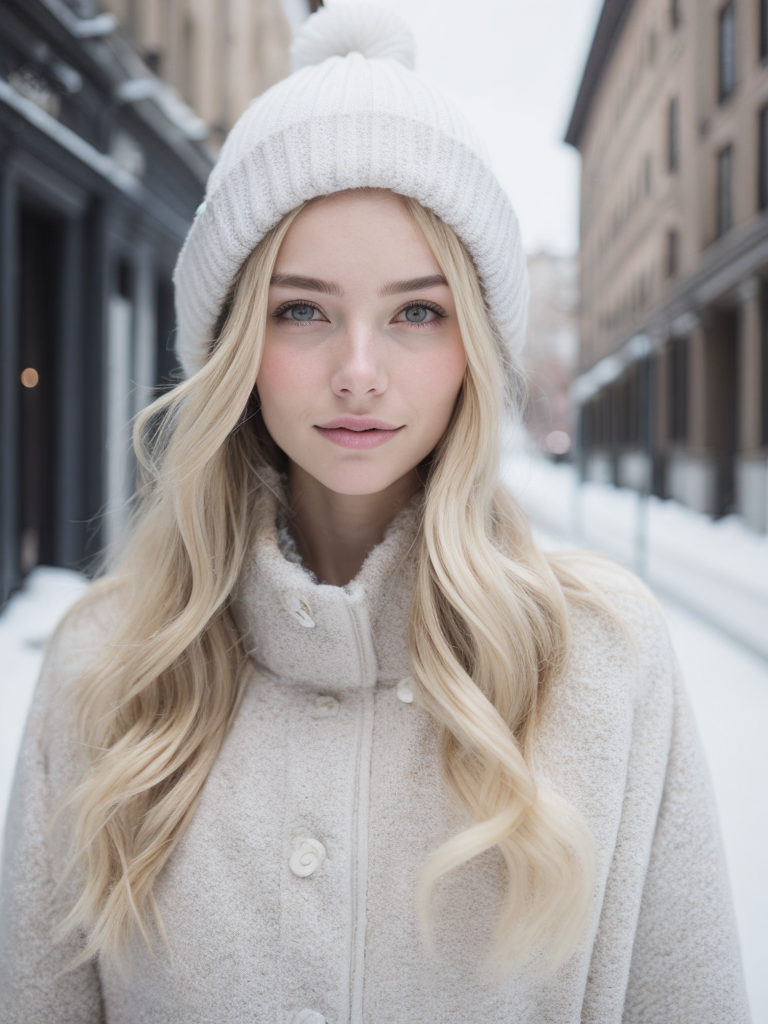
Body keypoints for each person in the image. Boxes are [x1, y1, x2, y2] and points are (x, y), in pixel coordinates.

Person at [0, 5, 751, 1022]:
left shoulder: (605, 665)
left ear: (473, 350)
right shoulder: (104, 668)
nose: (360, 373)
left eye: (417, 312)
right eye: (301, 309)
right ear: (232, 347)